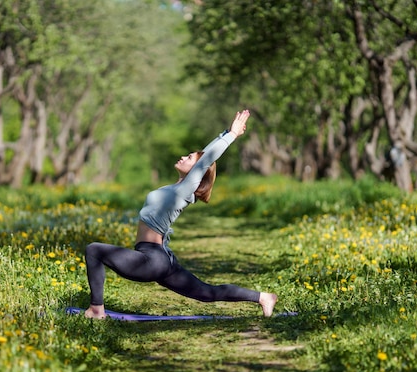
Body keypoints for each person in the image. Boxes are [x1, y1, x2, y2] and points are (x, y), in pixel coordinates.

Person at [83, 110, 278, 319]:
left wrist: (231, 135)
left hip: (151, 259)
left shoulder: (184, 190)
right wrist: (225, 133)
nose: (183, 156)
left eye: (189, 158)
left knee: (94, 250)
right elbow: (205, 155)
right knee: (206, 292)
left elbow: (207, 159)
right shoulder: (176, 189)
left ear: (197, 173)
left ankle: (96, 309)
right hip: (160, 259)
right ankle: (263, 297)